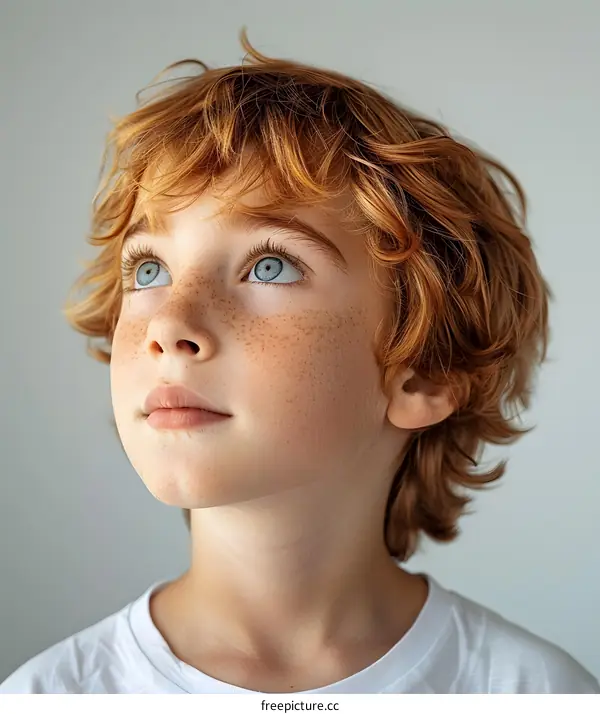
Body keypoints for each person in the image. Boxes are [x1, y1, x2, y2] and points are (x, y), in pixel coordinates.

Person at [1, 30, 598, 695]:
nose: (169, 324)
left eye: (270, 265)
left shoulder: (536, 693)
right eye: (149, 269)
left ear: (423, 372)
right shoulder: (47, 697)